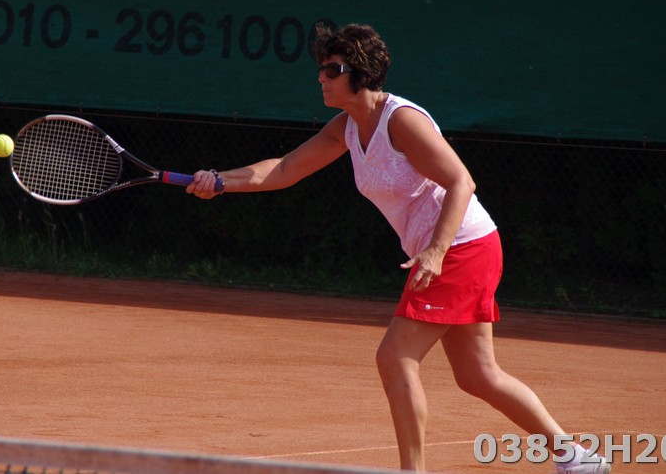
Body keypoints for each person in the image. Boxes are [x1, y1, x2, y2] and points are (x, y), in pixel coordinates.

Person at [186, 23, 610, 474]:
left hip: (460, 246)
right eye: (321, 69)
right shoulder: (347, 127)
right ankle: (576, 458)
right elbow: (286, 168)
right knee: (478, 376)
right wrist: (222, 181)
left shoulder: (402, 121)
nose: (321, 78)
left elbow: (461, 181)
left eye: (332, 70)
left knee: (395, 357)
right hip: (460, 248)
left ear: (362, 72)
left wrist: (436, 251)